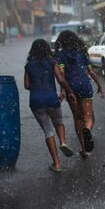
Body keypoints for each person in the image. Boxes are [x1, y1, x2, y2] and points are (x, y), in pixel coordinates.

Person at [24, 39, 77, 172]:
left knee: (48, 131)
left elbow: (26, 85)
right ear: (48, 49)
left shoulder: (29, 65)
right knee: (58, 121)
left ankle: (57, 164)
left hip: (36, 102)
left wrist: (36, 86)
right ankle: (63, 142)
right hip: (52, 99)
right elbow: (60, 79)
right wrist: (69, 91)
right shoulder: (52, 62)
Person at [55, 30, 104, 159]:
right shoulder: (82, 52)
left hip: (71, 88)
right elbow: (91, 72)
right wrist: (99, 85)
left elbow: (61, 74)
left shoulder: (60, 55)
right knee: (88, 118)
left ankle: (84, 150)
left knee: (77, 118)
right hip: (85, 85)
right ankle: (88, 129)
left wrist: (63, 91)